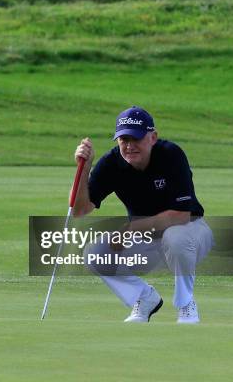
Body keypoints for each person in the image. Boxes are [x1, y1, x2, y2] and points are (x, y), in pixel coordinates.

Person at [73, 106, 214, 323]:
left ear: (153, 137)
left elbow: (181, 216)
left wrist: (132, 229)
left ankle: (186, 304)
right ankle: (144, 298)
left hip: (192, 233)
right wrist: (84, 169)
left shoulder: (171, 155)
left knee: (175, 237)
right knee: (95, 253)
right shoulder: (112, 163)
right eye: (123, 140)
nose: (129, 146)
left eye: (135, 139)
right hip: (148, 240)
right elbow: (80, 210)